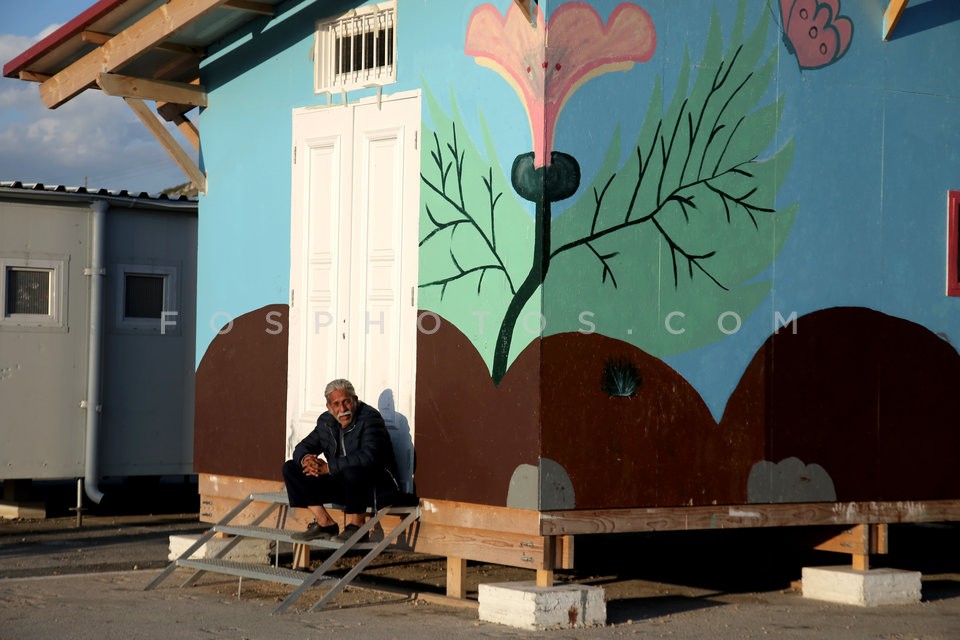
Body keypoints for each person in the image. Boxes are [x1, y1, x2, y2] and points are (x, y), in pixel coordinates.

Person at [283, 378, 401, 542]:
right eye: (336, 404)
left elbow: (369, 456)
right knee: (291, 467)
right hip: (344, 486)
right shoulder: (326, 422)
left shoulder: (370, 418)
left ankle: (357, 526)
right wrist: (307, 460)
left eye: (346, 402)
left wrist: (329, 467)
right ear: (329, 407)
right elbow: (303, 447)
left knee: (354, 467)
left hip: (375, 487)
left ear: (355, 400)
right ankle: (325, 523)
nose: (342, 409)